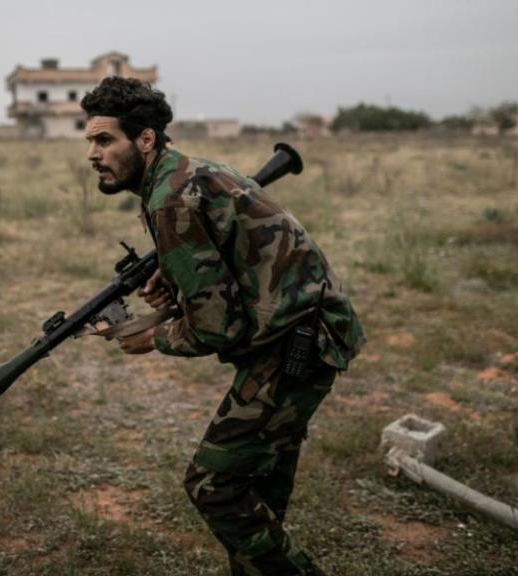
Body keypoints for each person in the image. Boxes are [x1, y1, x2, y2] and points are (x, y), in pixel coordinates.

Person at [81, 77, 365, 575]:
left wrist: (154, 336)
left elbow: (218, 328)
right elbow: (231, 261)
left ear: (145, 139)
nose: (92, 153)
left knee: (214, 486)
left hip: (296, 342)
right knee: (256, 489)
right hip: (297, 330)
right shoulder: (180, 174)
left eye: (105, 140)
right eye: (89, 140)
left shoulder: (169, 194)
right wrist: (176, 279)